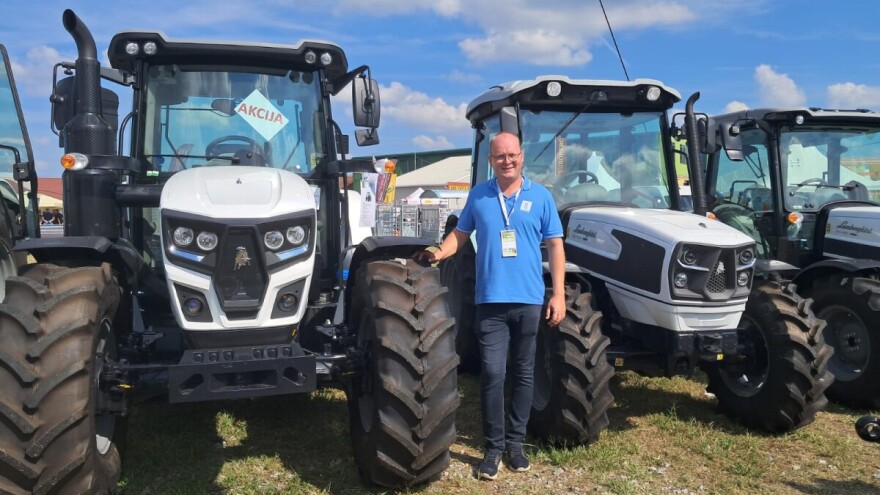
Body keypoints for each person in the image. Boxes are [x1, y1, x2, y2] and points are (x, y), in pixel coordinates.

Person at [418, 131, 566, 480]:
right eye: (500, 156)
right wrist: (438, 252)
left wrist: (557, 293)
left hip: (529, 300)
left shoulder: (540, 196)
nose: (507, 161)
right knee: (494, 375)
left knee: (523, 372)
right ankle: (494, 448)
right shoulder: (479, 196)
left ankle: (516, 445)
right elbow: (460, 235)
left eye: (513, 154)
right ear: (491, 161)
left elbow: (556, 246)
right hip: (490, 301)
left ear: (522, 156)